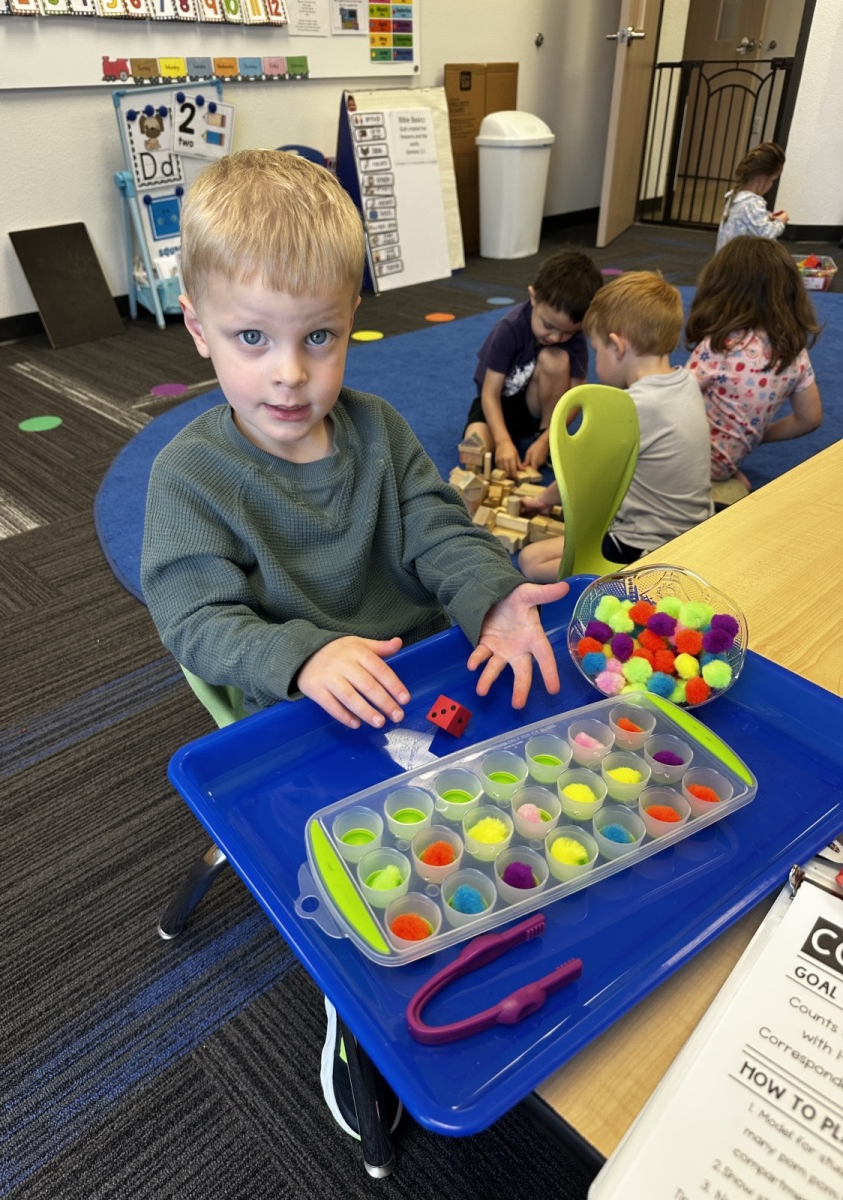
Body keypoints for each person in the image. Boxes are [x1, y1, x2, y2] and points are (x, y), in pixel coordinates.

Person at [141, 148, 570, 1143]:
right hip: (298, 717)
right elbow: (197, 621)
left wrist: (491, 597)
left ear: (350, 323)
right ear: (198, 328)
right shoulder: (189, 478)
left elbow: (442, 531)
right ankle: (356, 1015)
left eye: (320, 337)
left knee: (519, 805)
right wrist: (303, 657)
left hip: (418, 680)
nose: (290, 374)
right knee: (372, 894)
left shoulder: (378, 431)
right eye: (252, 337)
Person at [518, 272, 713, 584]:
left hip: (648, 545)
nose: (596, 361)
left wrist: (543, 499)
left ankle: (628, 579)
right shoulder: (687, 381)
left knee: (530, 560)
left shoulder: (631, 408)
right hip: (696, 527)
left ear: (617, 346)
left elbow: (583, 479)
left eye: (597, 350)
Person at [685, 237, 822, 504]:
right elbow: (810, 418)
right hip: (728, 461)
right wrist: (755, 436)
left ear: (722, 288)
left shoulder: (721, 346)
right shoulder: (795, 353)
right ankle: (723, 475)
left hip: (692, 460)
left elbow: (672, 398)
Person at [462, 250, 603, 478]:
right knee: (474, 446)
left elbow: (578, 395)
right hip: (497, 405)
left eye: (567, 332)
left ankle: (544, 435)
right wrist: (502, 441)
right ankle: (505, 439)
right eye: (548, 325)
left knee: (555, 359)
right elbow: (489, 393)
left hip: (533, 407)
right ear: (533, 297)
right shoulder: (509, 329)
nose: (556, 337)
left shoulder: (575, 337)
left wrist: (547, 439)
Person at [715, 141, 788, 251]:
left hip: (726, 256)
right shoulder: (752, 202)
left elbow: (748, 221)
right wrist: (780, 221)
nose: (771, 185)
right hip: (740, 259)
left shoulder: (735, 196)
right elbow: (766, 234)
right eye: (772, 180)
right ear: (762, 178)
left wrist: (767, 217)